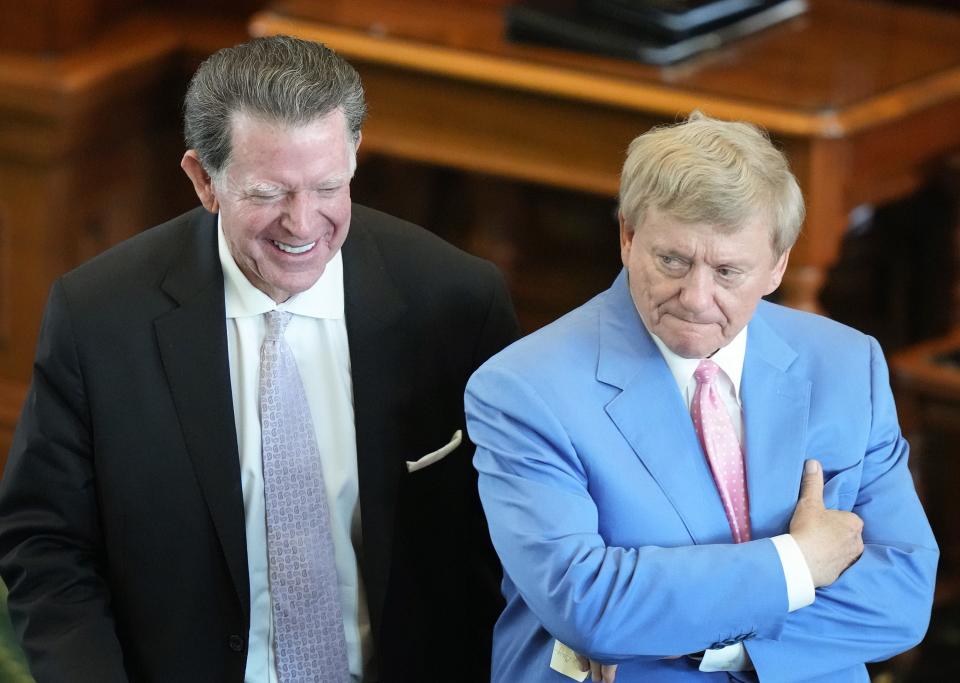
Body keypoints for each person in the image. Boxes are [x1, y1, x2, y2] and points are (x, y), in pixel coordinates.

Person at [0, 35, 518, 683]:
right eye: (269, 192)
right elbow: (47, 543)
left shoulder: (458, 300)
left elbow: (514, 530)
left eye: (328, 186)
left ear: (353, 158)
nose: (303, 224)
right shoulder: (98, 317)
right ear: (203, 180)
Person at [465, 112, 938, 682]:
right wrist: (800, 561)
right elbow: (586, 604)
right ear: (628, 236)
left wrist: (704, 643)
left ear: (778, 265)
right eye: (672, 261)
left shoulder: (845, 363)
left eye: (728, 271)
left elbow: (903, 597)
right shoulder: (523, 389)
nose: (695, 297)